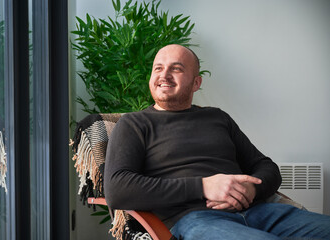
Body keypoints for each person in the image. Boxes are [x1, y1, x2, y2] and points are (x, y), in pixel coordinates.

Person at [104, 44, 330, 240]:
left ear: (196, 83)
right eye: (158, 68)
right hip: (196, 220)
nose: (164, 75)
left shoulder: (217, 118)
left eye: (176, 68)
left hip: (260, 212)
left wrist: (251, 189)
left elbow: (267, 167)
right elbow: (118, 188)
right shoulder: (134, 124)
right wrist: (204, 186)